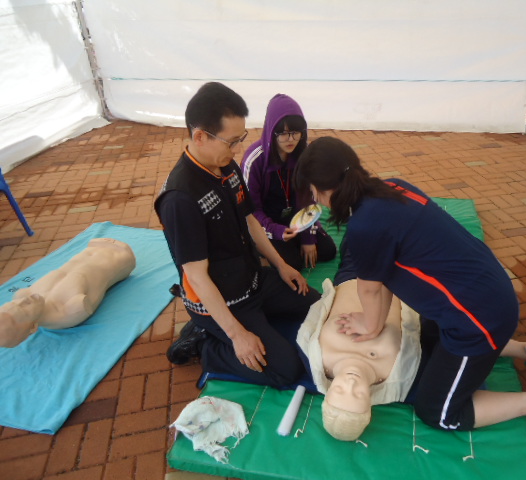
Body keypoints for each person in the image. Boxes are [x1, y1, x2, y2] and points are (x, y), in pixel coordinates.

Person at [293, 136, 526, 451]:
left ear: (323, 189)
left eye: (313, 191)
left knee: (438, 411)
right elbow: (383, 278)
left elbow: (371, 288)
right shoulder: (393, 187)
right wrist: (373, 321)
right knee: (427, 333)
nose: (315, 199)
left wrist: (371, 325)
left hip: (479, 321)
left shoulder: (365, 225)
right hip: (491, 293)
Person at [298, 246, 526, 442]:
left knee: (359, 233)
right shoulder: (398, 377)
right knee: (441, 333)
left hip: (352, 274)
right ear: (370, 402)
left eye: (339, 390)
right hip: (398, 283)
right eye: (357, 395)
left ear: (327, 392)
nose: (350, 384)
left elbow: (313, 316)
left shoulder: (317, 359)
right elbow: (452, 354)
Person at [154, 82, 321, 388]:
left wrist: (281, 266)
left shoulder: (226, 166)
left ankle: (255, 320)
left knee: (316, 304)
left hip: (252, 280)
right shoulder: (180, 199)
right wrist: (236, 334)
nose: (237, 150)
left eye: (240, 139)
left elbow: (250, 220)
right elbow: (196, 277)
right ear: (200, 136)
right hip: (225, 301)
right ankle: (206, 344)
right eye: (231, 142)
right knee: (285, 369)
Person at [241, 94, 336, 270]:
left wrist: (308, 238)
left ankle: (288, 246)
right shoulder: (255, 160)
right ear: (272, 131)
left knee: (328, 251)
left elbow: (308, 199)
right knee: (293, 263)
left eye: (295, 132)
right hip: (265, 223)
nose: (291, 139)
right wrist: (275, 230)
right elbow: (250, 210)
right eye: (283, 133)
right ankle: (257, 253)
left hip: (294, 219)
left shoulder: (303, 155)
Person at [0, 238, 136, 348]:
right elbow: (101, 280)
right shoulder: (68, 312)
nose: (25, 300)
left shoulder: (26, 294)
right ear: (33, 328)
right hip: (122, 255)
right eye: (25, 310)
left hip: (94, 247)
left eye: (15, 303)